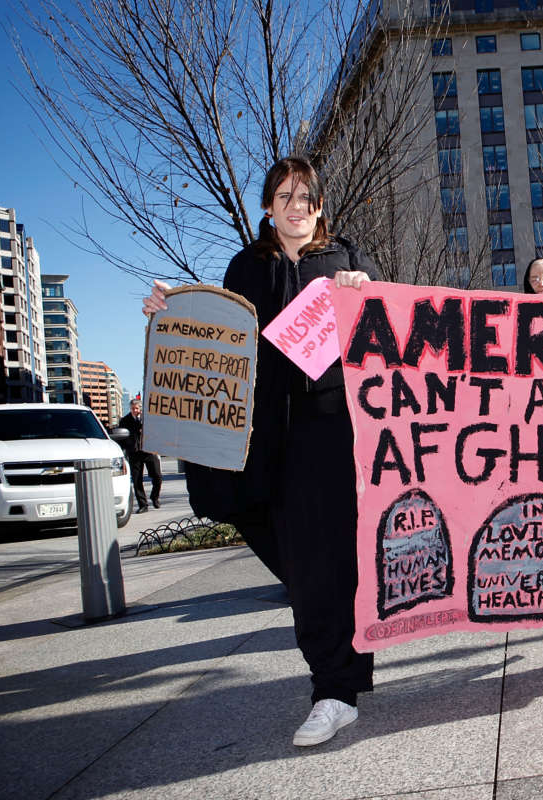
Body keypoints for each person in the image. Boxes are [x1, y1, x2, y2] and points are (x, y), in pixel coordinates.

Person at [143, 156, 375, 747]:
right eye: (283, 196)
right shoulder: (247, 265)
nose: (295, 207)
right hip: (266, 434)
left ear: (319, 207)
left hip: (331, 434)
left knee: (326, 561)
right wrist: (171, 313)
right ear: (267, 206)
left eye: (305, 197)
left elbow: (382, 327)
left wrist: (362, 290)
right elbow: (218, 336)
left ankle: (334, 690)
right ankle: (341, 663)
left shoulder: (343, 259)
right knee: (298, 558)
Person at [118, 398, 161, 512]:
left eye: (137, 408)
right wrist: (127, 448)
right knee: (137, 480)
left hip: (149, 451)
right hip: (134, 453)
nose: (135, 411)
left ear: (140, 409)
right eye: (133, 409)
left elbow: (156, 432)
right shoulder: (125, 421)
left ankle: (155, 497)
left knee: (157, 476)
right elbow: (122, 438)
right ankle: (143, 504)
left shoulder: (147, 418)